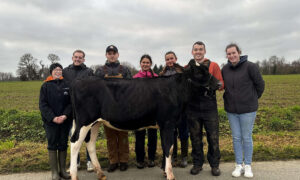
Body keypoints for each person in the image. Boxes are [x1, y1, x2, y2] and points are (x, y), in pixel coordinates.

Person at [222, 43, 265, 178]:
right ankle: (238, 165)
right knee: (236, 138)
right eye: (229, 54)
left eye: (233, 53)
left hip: (248, 110)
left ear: (239, 52)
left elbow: (260, 85)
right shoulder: (225, 69)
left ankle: (248, 165)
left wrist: (251, 99)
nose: (232, 55)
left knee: (246, 137)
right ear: (227, 56)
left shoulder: (250, 66)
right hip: (231, 110)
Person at [186, 41, 224, 176]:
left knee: (213, 137)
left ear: (204, 51)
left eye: (200, 49)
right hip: (193, 107)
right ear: (192, 52)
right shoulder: (188, 67)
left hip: (209, 106)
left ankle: (214, 165)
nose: (198, 52)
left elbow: (221, 84)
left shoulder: (213, 65)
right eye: (195, 49)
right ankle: (197, 163)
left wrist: (214, 85)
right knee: (195, 137)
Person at [95, 45, 131, 172]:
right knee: (110, 137)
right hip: (107, 109)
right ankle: (113, 161)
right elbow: (97, 91)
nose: (111, 55)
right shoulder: (100, 71)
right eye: (109, 53)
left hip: (122, 108)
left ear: (118, 55)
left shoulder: (125, 70)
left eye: (114, 53)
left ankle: (124, 161)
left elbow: (130, 89)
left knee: (123, 135)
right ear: (106, 55)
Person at [63, 49, 94, 172]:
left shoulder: (89, 71)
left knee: (87, 135)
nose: (78, 59)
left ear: (84, 59)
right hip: (71, 108)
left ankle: (89, 161)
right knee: (73, 134)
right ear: (72, 58)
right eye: (76, 57)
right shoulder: (65, 71)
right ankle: (76, 161)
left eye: (80, 57)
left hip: (86, 109)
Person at [39, 63, 72, 180]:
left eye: (60, 70)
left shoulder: (67, 85)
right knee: (52, 144)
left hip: (64, 121)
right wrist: (53, 117)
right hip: (50, 122)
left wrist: (64, 116)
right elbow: (43, 105)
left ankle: (63, 170)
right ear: (51, 72)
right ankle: (54, 172)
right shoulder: (45, 86)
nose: (58, 72)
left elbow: (70, 103)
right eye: (56, 70)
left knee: (63, 143)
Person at [159, 51, 189, 168]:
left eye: (171, 58)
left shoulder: (183, 72)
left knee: (183, 133)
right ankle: (173, 157)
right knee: (171, 133)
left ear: (176, 59)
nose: (169, 61)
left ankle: (184, 157)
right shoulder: (162, 74)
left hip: (181, 108)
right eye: (167, 59)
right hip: (168, 110)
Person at [133, 54, 158, 169]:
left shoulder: (156, 77)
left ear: (150, 64)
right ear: (140, 64)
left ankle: (152, 158)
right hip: (139, 112)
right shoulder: (135, 78)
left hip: (153, 112)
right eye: (143, 62)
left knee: (152, 136)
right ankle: (140, 159)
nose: (145, 64)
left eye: (147, 62)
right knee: (140, 136)